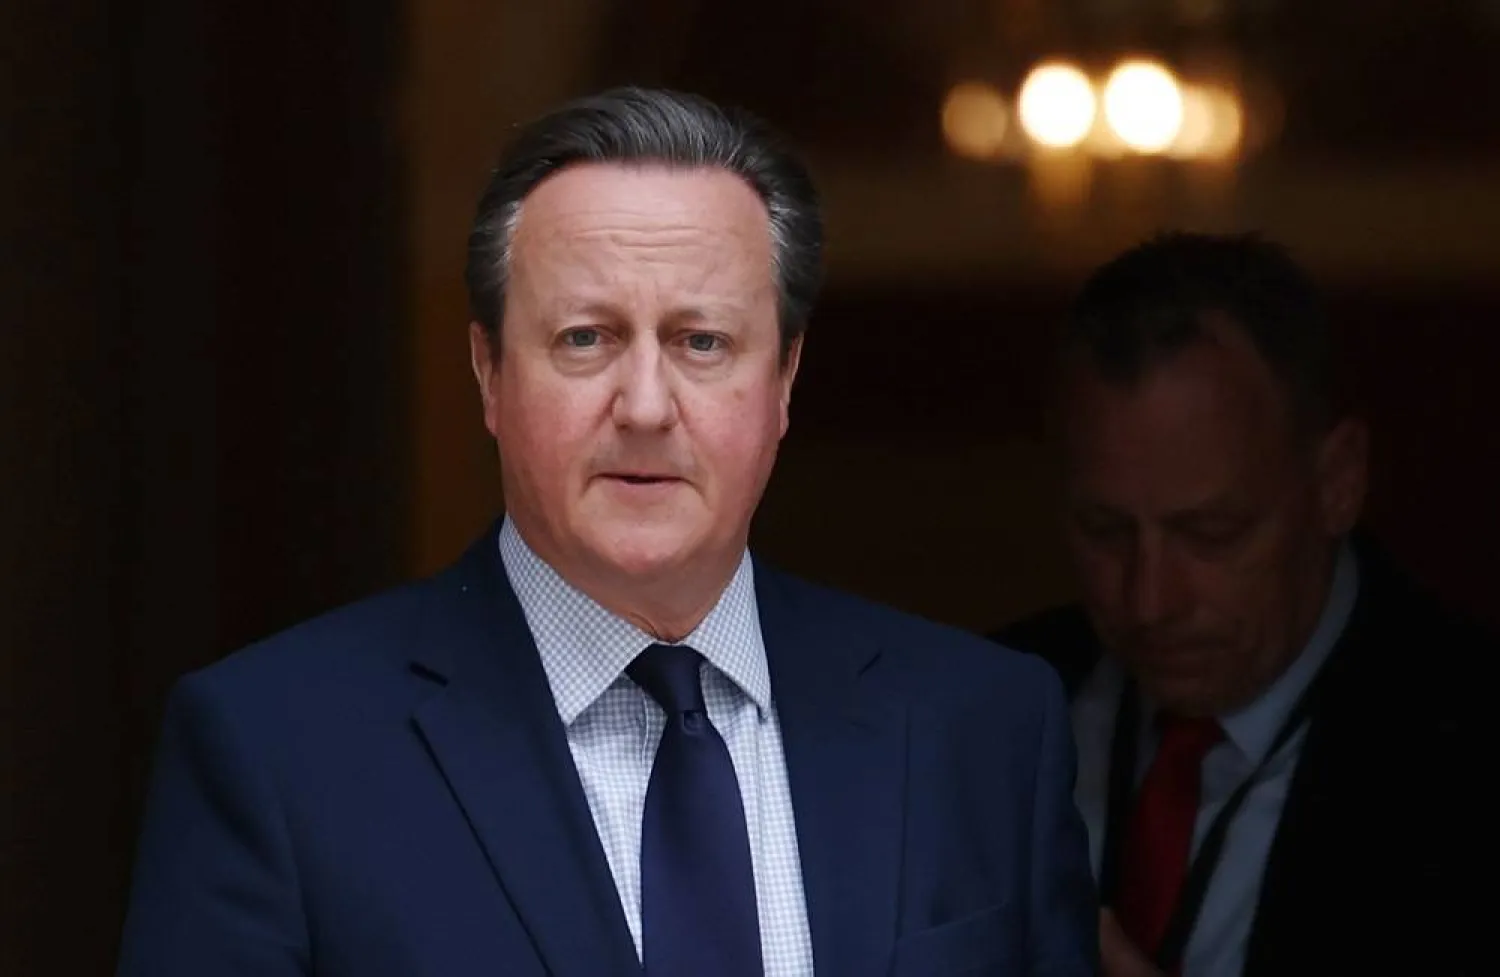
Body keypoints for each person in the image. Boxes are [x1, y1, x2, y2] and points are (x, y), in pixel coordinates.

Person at [117, 86, 1097, 977]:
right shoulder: (278, 749)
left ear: (785, 379)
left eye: (701, 341)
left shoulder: (982, 730)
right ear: (489, 372)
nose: (643, 404)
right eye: (584, 337)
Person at [992, 231, 1486, 977]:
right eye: (1104, 530)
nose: (1150, 600)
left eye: (1211, 533)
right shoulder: (974, 712)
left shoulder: (1468, 750)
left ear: (1338, 482)